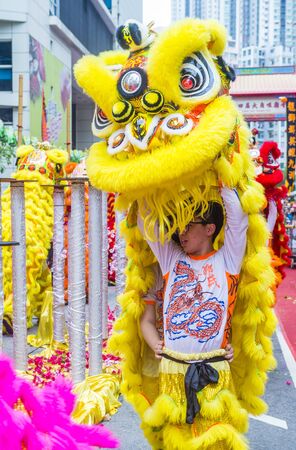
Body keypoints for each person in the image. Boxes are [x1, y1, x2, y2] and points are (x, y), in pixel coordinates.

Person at [138, 186, 248, 426]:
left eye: (189, 225)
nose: (181, 231)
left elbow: (238, 222)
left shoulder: (228, 260)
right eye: (180, 224)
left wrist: (222, 177)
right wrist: (148, 175)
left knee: (213, 439)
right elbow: (145, 221)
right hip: (172, 371)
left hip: (213, 370)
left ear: (209, 229)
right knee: (176, 439)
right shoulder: (171, 259)